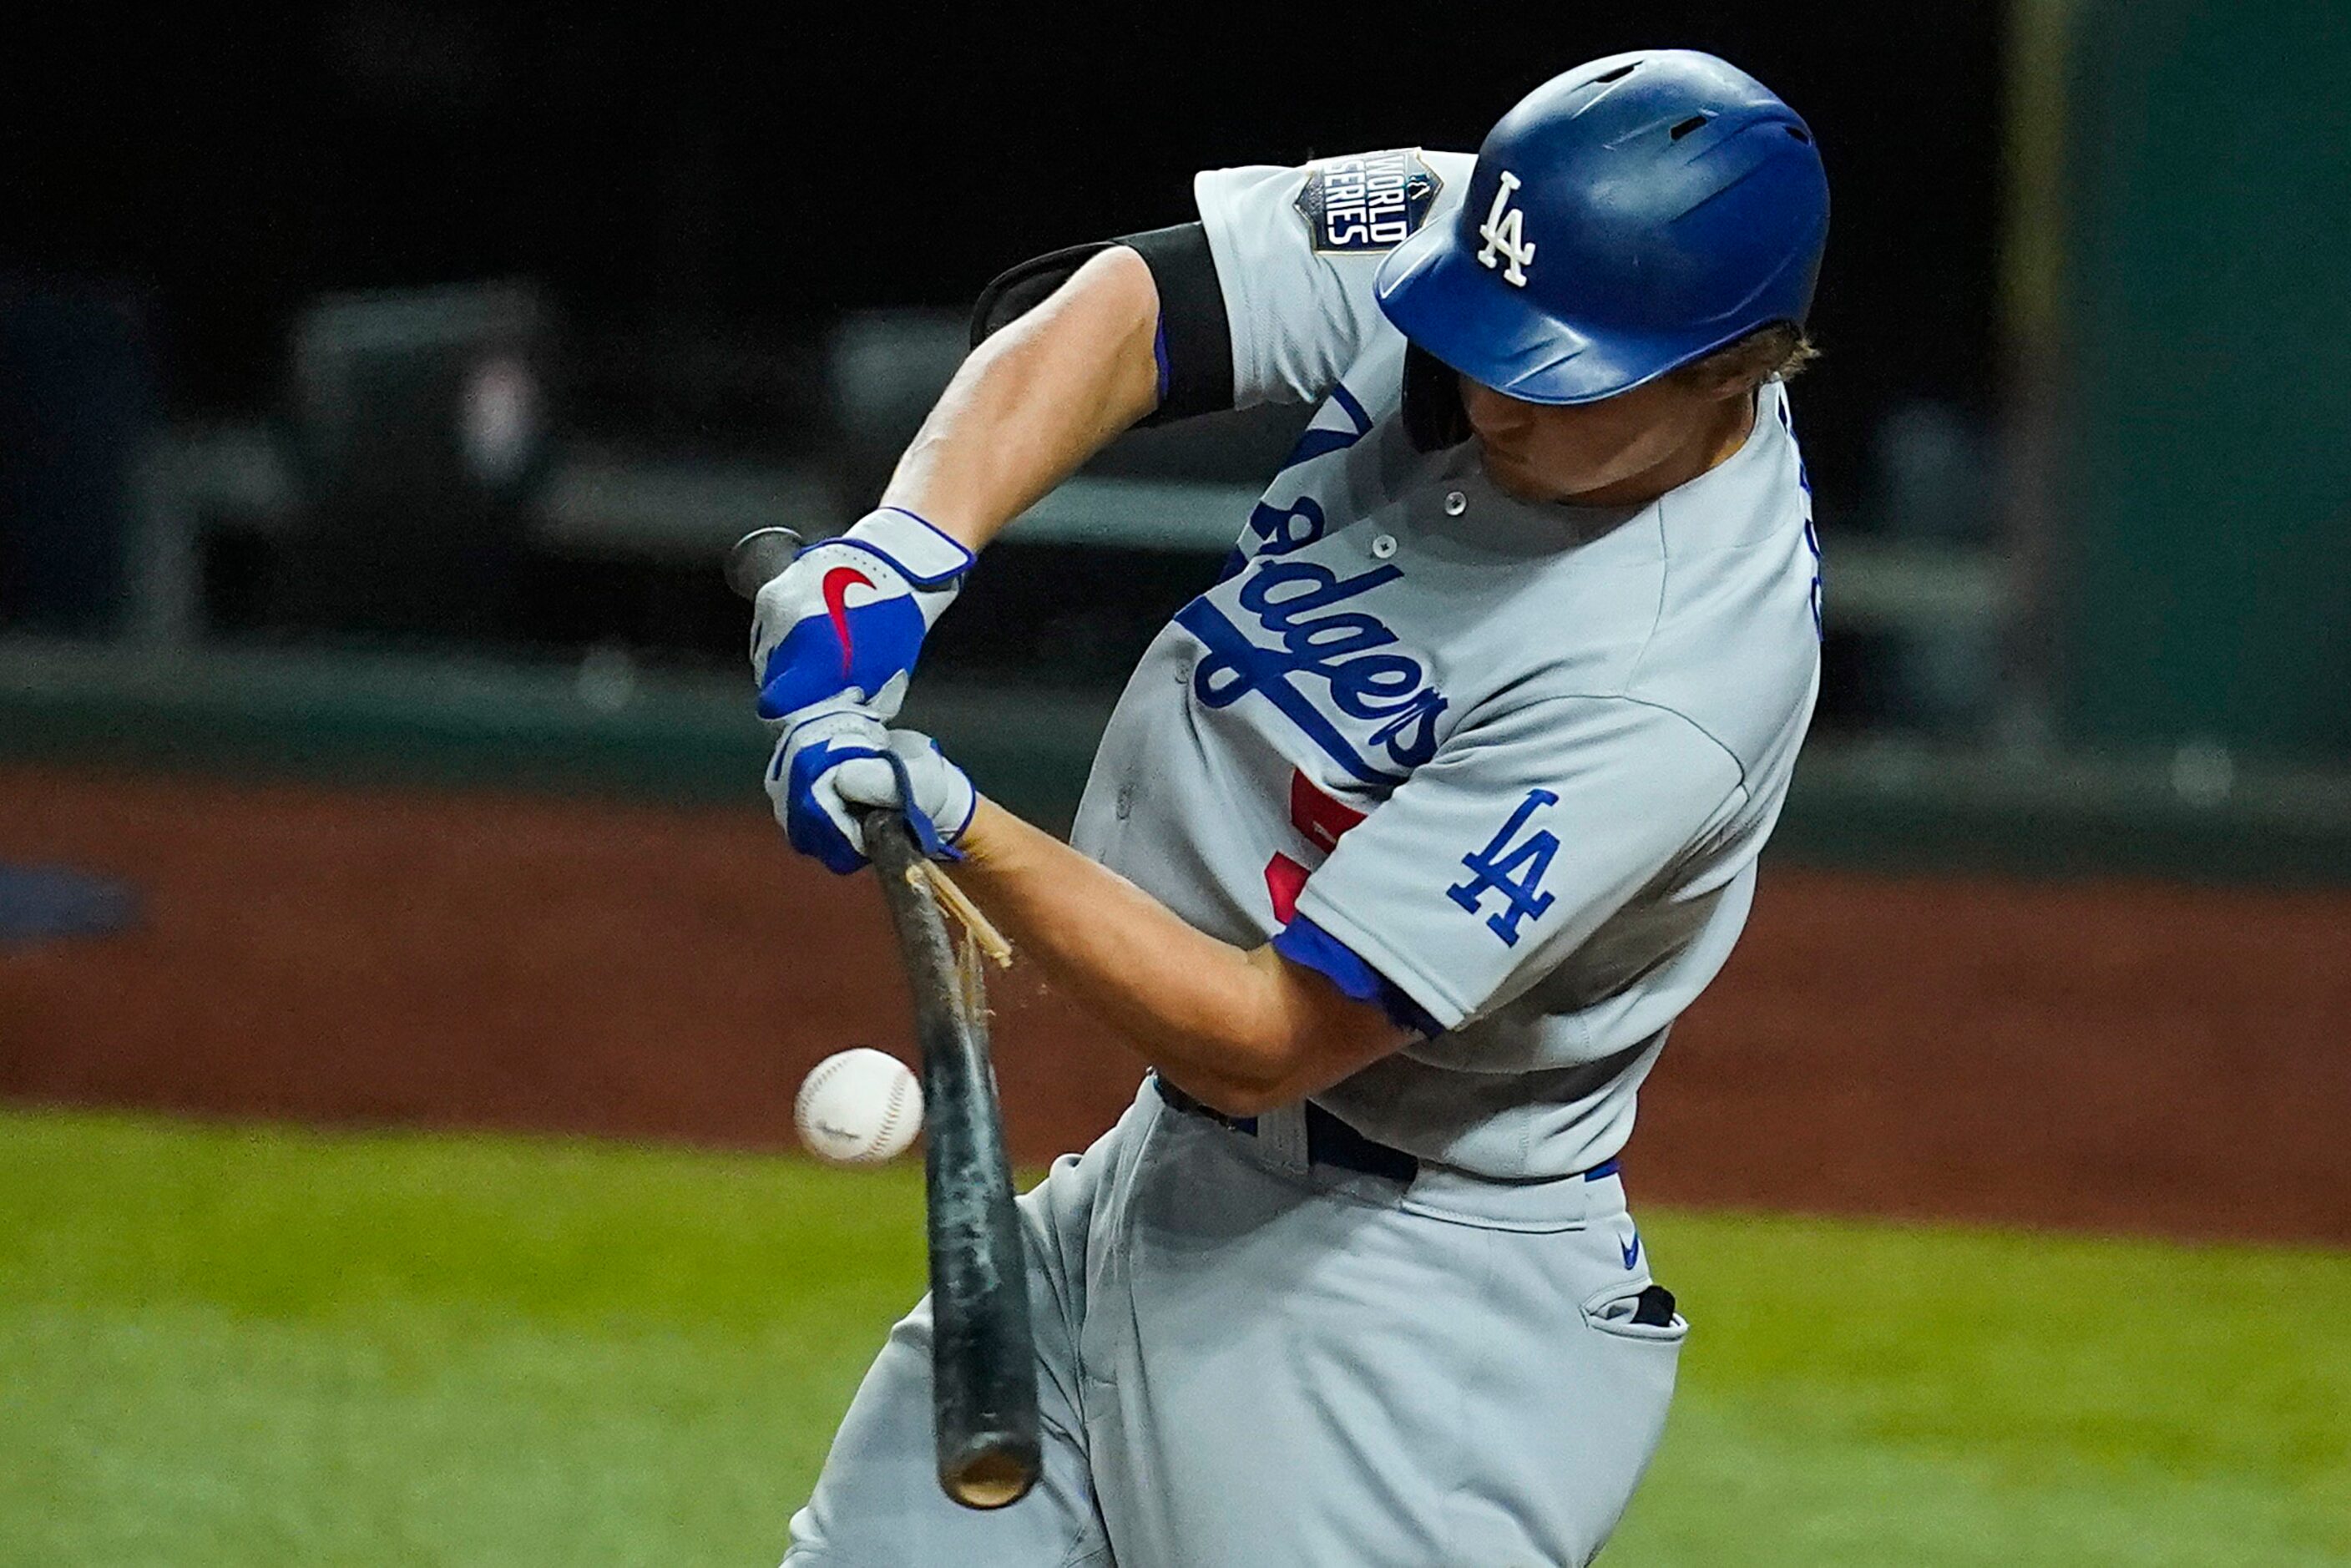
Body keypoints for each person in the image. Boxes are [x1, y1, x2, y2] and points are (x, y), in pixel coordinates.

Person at [756, 47, 1830, 1567]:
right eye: (1481, 336)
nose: (1492, 389)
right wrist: (907, 547)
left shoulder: (1671, 676)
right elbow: (1136, 306)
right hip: (1153, 1184)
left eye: (1558, 369)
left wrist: (960, 830)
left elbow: (1272, 1033)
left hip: (1398, 1316)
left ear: (1739, 365)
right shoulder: (1490, 236)